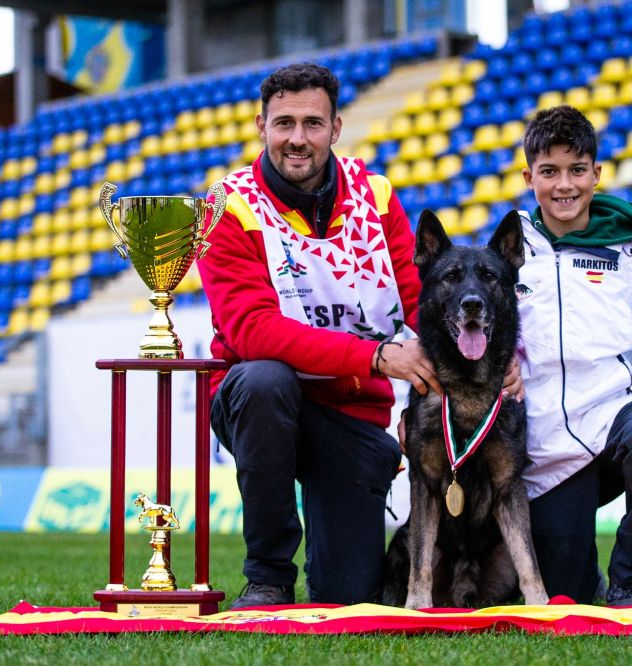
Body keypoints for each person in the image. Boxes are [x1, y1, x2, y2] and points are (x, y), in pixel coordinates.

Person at [197, 63, 441, 609]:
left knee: (346, 597)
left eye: (312, 123)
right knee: (264, 381)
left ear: (336, 128)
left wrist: (474, 362)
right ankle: (268, 576)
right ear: (261, 126)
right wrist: (376, 357)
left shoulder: (377, 195)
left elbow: (419, 300)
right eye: (284, 123)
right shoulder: (227, 205)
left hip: (350, 413)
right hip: (263, 402)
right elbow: (252, 332)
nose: (297, 138)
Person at [514, 105, 632, 606]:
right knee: (565, 593)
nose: (564, 185)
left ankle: (628, 577)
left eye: (577, 170)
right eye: (549, 171)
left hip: (611, 417)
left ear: (596, 174)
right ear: (529, 177)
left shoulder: (630, 249)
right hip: (542, 445)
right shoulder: (509, 249)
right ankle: (585, 574)